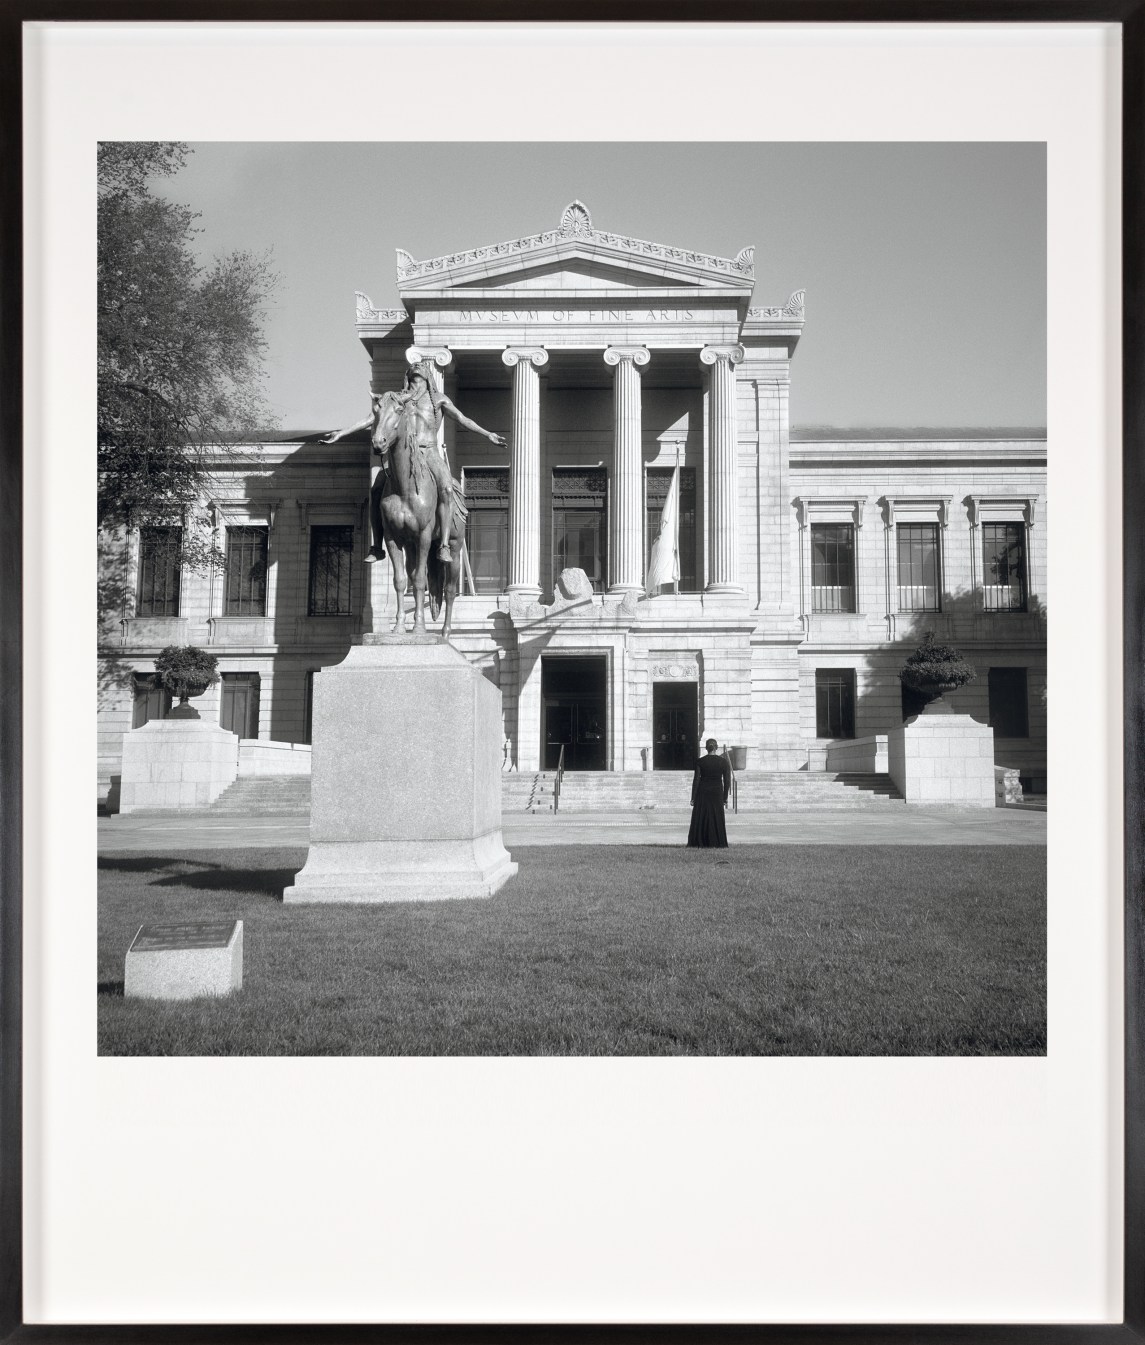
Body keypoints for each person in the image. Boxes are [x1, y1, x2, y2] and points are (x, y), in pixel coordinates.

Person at [322, 360, 506, 563]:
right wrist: (341, 433)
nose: (416, 378)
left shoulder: (438, 400)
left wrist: (487, 434)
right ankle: (377, 546)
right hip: (407, 456)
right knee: (376, 490)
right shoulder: (399, 400)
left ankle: (444, 545)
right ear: (407, 377)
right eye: (413, 376)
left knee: (446, 488)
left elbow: (463, 419)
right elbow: (372, 419)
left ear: (428, 377)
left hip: (430, 452)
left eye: (420, 375)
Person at [687, 738, 731, 848]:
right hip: (717, 792)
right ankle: (717, 842)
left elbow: (696, 780)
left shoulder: (700, 761)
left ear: (706, 748)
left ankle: (700, 842)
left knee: (702, 817)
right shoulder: (723, 762)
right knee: (716, 817)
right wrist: (725, 797)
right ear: (716, 747)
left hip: (703, 791)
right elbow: (727, 781)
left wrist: (693, 797)